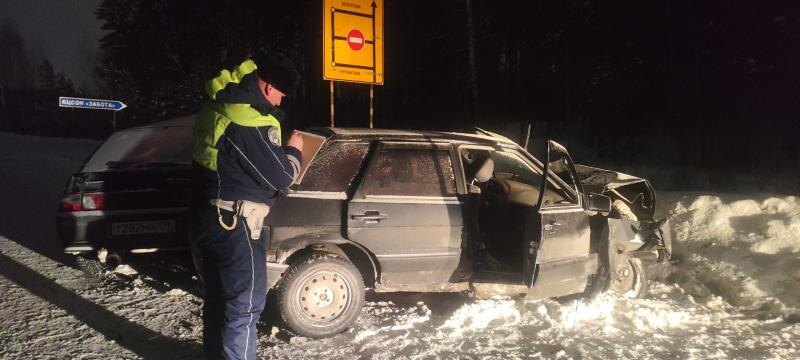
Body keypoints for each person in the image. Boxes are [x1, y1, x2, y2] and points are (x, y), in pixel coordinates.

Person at [191, 52, 303, 360]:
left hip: (209, 216)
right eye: (281, 94)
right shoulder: (249, 120)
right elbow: (281, 177)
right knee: (245, 304)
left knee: (218, 298)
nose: (280, 102)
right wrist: (293, 151)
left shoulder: (217, 106)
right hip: (236, 223)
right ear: (268, 87)